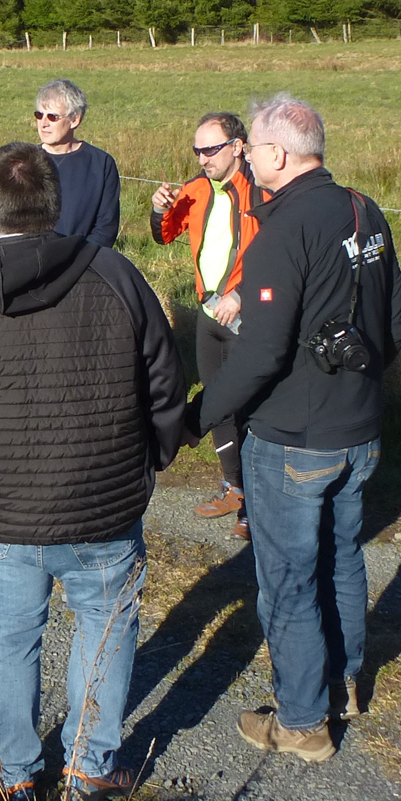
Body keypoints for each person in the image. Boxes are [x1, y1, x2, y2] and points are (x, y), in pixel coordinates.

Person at [0, 142, 185, 801]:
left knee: (8, 633)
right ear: (55, 204)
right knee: (103, 628)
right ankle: (86, 768)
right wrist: (152, 460)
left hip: (2, 513)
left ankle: (17, 772)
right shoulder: (116, 275)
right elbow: (166, 386)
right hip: (100, 506)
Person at [185, 95, 401, 762]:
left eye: (251, 148)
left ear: (277, 155)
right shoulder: (363, 211)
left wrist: (199, 416)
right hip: (360, 429)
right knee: (341, 558)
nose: (247, 160)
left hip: (292, 438)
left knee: (287, 577)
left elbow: (259, 354)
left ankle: (303, 721)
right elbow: (394, 325)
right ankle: (343, 684)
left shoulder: (284, 228)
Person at [150, 112, 267, 541]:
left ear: (238, 146)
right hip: (208, 314)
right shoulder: (197, 189)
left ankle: (255, 506)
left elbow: (281, 254)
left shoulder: (262, 190)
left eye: (211, 149)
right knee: (217, 403)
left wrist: (245, 295)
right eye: (197, 150)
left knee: (251, 407)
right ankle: (234, 487)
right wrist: (158, 207)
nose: (202, 158)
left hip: (247, 315)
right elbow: (164, 235)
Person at [35, 78, 120, 248]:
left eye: (52, 117)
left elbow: (106, 227)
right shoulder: (24, 162)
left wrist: (79, 263)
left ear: (75, 120)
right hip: (33, 263)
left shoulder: (101, 164)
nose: (43, 123)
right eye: (39, 115)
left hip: (83, 264)